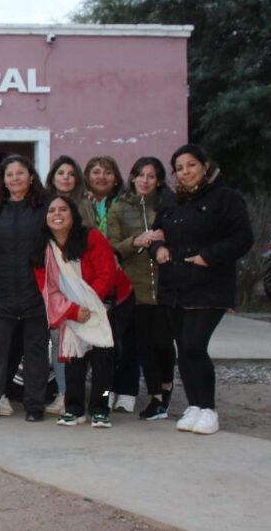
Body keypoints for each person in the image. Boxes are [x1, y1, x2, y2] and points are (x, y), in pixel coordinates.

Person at [151, 144, 252, 435]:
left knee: (195, 345)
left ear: (205, 166)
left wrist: (209, 256)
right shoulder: (170, 202)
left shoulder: (226, 199)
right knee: (184, 350)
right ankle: (194, 405)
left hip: (209, 287)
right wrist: (157, 249)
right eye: (179, 168)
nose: (185, 172)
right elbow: (157, 235)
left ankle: (208, 409)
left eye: (191, 165)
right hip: (174, 286)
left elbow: (242, 238)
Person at [35, 195, 132, 429]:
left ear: (73, 214)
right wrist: (73, 310)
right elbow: (47, 287)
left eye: (63, 209)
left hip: (107, 303)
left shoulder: (92, 237)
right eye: (51, 210)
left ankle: (101, 407)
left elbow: (106, 275)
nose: (57, 214)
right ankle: (74, 409)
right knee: (73, 359)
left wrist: (86, 306)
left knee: (104, 361)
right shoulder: (43, 248)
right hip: (73, 310)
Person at [0, 155, 48, 422]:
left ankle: (35, 405)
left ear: (31, 177)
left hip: (35, 290)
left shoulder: (45, 208)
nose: (15, 178)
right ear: (2, 180)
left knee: (36, 349)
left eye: (20, 173)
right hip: (0, 291)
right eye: (9, 174)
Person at [108, 157, 175, 420]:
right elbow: (112, 245)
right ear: (133, 177)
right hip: (134, 287)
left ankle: (167, 385)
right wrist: (136, 241)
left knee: (164, 342)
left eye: (151, 176)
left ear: (158, 180)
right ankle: (157, 397)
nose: (145, 180)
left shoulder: (169, 206)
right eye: (141, 175)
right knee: (144, 345)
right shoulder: (120, 207)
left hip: (167, 285)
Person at [84, 154, 139, 412]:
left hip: (122, 283)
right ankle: (107, 392)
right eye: (96, 171)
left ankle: (126, 390)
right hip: (93, 284)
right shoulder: (82, 205)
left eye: (107, 172)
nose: (101, 176)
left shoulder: (127, 204)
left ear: (116, 177)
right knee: (103, 347)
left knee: (124, 341)